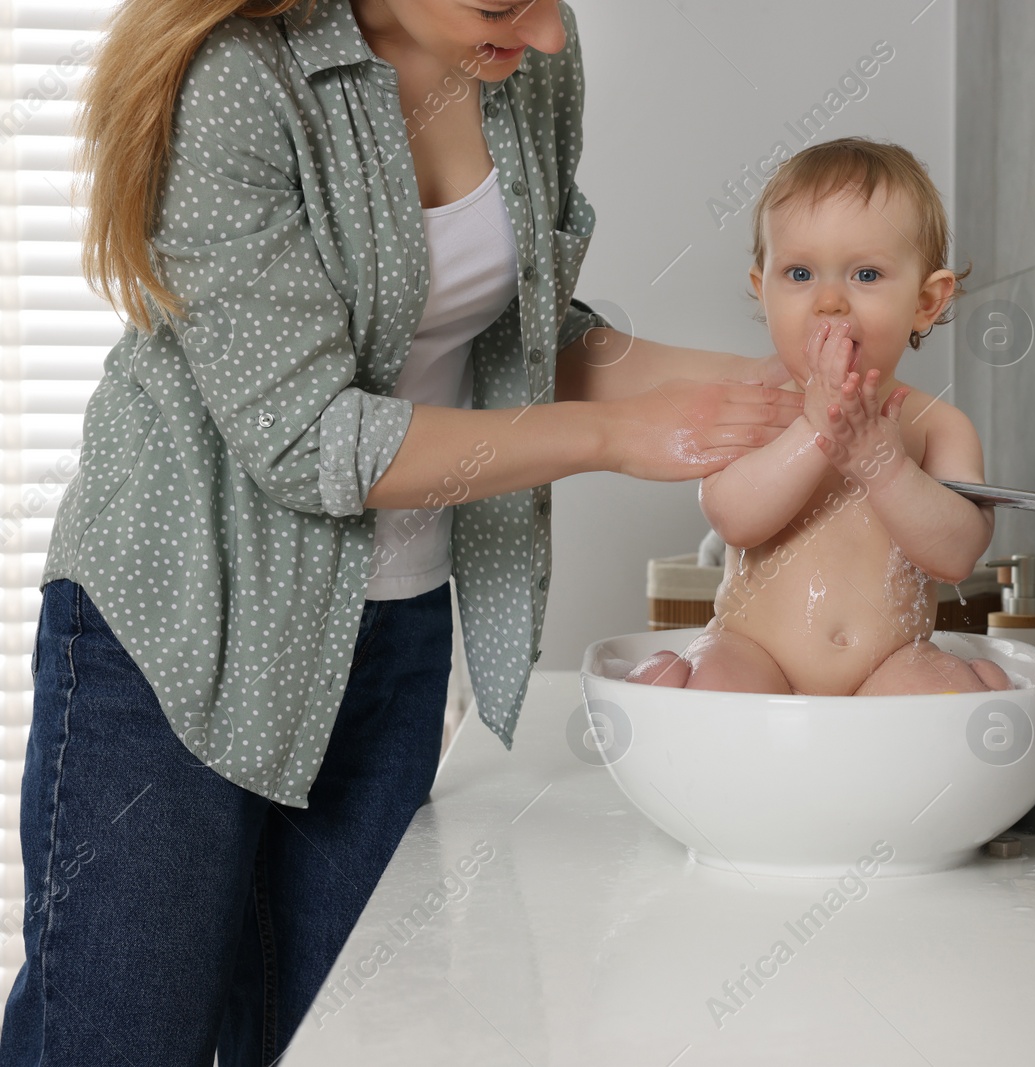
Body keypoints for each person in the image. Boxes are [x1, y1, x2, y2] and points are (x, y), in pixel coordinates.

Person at [0, 0, 802, 1062]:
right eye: (504, 5)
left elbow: (527, 337)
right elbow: (307, 435)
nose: (552, 37)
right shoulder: (240, 81)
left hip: (392, 640)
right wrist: (608, 437)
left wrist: (783, 394)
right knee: (119, 1041)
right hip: (187, 635)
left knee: (346, 1035)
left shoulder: (524, 62)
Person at [626, 138, 1012, 697]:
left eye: (867, 275)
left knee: (948, 695)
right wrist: (815, 431)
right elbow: (732, 518)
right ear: (765, 292)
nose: (829, 301)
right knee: (709, 685)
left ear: (927, 302)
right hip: (755, 655)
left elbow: (956, 556)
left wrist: (884, 466)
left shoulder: (937, 425)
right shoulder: (757, 403)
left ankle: (974, 692)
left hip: (889, 664)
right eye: (800, 274)